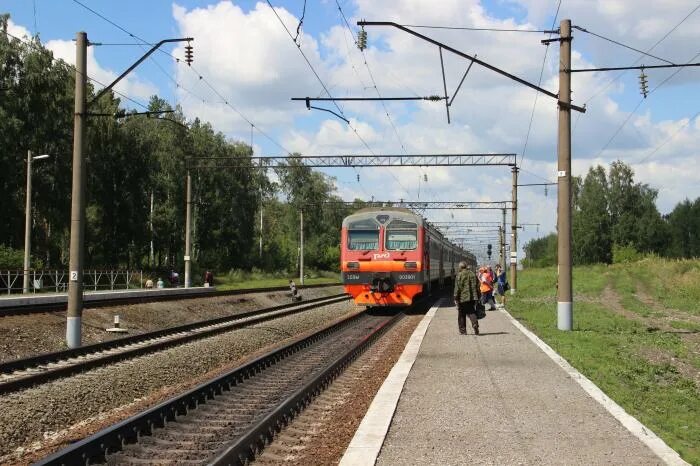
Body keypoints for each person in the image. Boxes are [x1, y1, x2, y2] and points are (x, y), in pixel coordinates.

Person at [454, 261, 481, 335]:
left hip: (462, 298)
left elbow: (457, 288)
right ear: (466, 266)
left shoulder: (459, 275)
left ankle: (463, 331)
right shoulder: (472, 274)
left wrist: (456, 298)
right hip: (472, 297)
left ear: (460, 267)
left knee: (462, 314)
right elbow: (478, 286)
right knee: (471, 311)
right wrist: (478, 297)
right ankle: (475, 324)